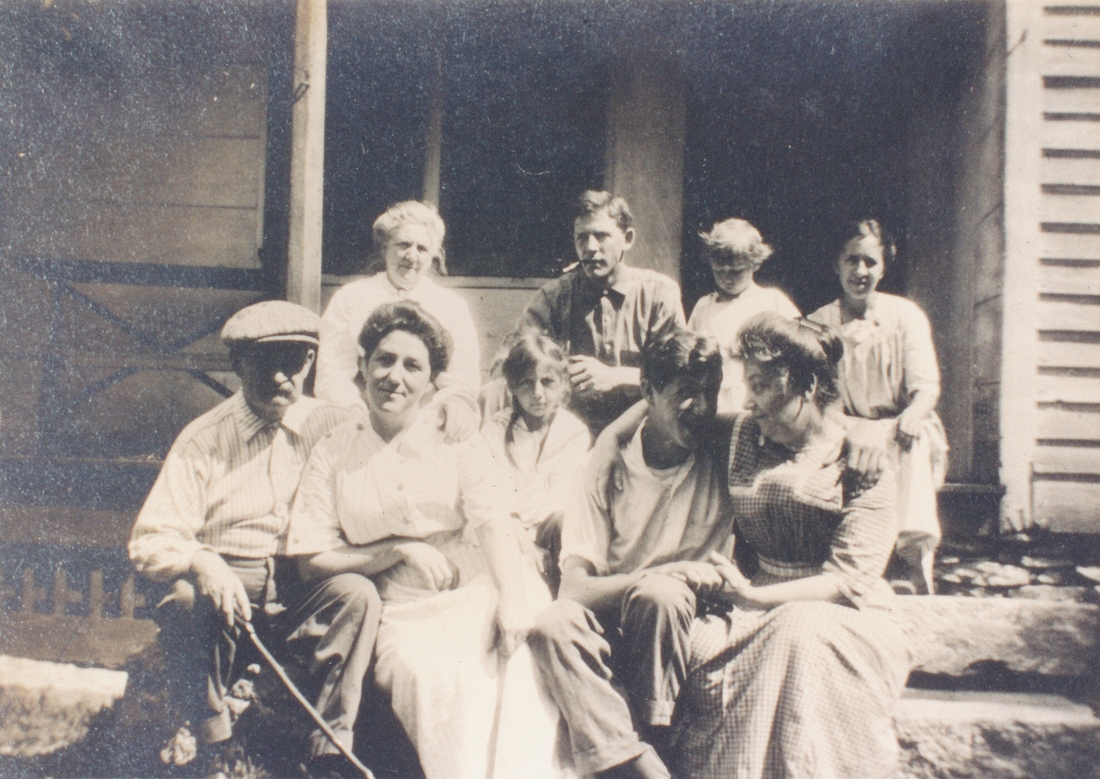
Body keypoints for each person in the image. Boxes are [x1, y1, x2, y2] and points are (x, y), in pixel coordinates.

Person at [592, 313, 911, 779]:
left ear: (805, 384)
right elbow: (667, 403)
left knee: (797, 635)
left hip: (844, 610)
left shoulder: (861, 461)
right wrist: (608, 439)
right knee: (698, 644)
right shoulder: (744, 433)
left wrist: (755, 597)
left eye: (760, 385)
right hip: (753, 600)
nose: (749, 401)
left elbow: (848, 580)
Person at [287, 301, 562, 779]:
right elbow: (311, 558)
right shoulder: (335, 449)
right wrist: (393, 552)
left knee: (517, 666)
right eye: (384, 360)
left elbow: (492, 519)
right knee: (430, 675)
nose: (395, 376)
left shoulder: (453, 437)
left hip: (482, 583)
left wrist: (512, 601)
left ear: (432, 381)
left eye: (413, 366)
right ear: (363, 366)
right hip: (402, 605)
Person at [129, 301, 380, 776]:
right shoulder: (204, 439)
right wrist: (203, 560)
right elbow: (150, 538)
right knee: (185, 599)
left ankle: (329, 750)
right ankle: (214, 741)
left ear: (310, 364)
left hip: (300, 583)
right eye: (267, 363)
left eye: (295, 362)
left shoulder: (332, 424)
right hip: (228, 589)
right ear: (239, 365)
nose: (282, 377)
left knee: (357, 594)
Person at [527, 330, 733, 779]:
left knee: (661, 594)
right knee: (550, 624)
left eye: (708, 393)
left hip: (688, 613)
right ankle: (637, 760)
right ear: (648, 393)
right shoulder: (604, 468)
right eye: (684, 394)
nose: (700, 407)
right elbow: (574, 589)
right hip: (617, 613)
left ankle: (641, 747)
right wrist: (669, 570)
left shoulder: (724, 447)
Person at [808, 219, 947, 594]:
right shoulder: (818, 324)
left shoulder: (906, 316)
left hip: (898, 425)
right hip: (843, 425)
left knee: (912, 438)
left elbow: (926, 387)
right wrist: (855, 429)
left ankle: (907, 561)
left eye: (870, 261)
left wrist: (911, 416)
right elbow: (820, 398)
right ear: (836, 264)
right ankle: (847, 563)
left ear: (885, 265)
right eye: (851, 260)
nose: (860, 271)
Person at [514, 190, 686, 436]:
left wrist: (617, 376)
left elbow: (681, 375)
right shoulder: (554, 298)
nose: (590, 248)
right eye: (581, 238)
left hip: (644, 433)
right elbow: (515, 362)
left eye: (601, 236)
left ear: (627, 238)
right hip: (569, 435)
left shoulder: (658, 294)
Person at [316, 200, 481, 439]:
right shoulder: (351, 298)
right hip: (360, 417)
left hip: (428, 419)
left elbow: (462, 378)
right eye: (403, 244)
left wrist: (452, 402)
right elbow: (332, 374)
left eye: (422, 249)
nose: (411, 256)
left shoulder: (452, 306)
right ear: (385, 248)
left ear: (433, 255)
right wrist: (355, 412)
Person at [481, 331, 590, 592]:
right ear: (512, 387)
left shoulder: (574, 432)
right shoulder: (495, 431)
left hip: (550, 532)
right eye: (526, 383)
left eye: (547, 382)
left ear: (563, 384)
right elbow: (496, 497)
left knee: (567, 524)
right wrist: (523, 542)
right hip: (506, 529)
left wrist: (536, 541)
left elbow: (560, 499)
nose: (537, 393)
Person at [687, 218, 800, 414]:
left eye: (736, 271)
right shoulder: (704, 307)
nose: (727, 278)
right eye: (719, 271)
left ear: (755, 263)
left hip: (759, 403)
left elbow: (800, 348)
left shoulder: (772, 301)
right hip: (716, 404)